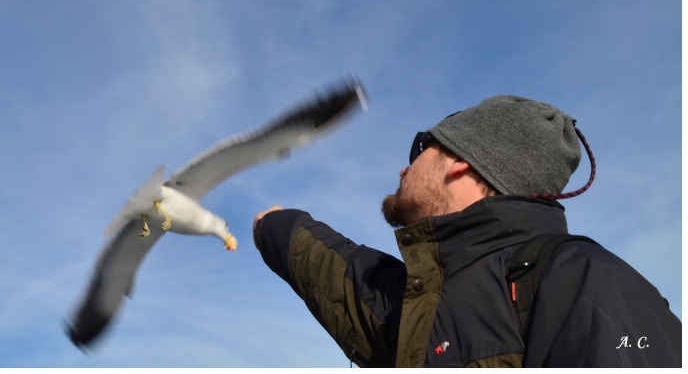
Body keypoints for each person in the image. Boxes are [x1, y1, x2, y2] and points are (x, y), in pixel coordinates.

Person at [252, 95, 682, 367]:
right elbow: (342, 278)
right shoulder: (422, 301)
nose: (405, 167)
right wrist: (271, 225)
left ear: (461, 161)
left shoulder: (585, 278)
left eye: (421, 148)